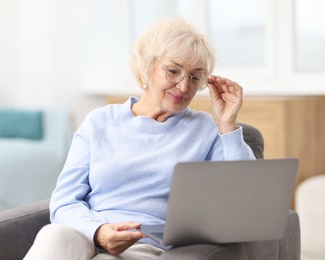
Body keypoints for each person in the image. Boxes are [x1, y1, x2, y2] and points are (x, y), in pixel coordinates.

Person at [24, 17, 255, 260]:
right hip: (87, 232)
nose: (183, 86)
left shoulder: (205, 129)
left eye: (195, 77)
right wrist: (99, 231)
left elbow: (242, 203)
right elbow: (64, 202)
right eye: (173, 71)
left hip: (144, 244)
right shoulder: (99, 121)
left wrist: (227, 124)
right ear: (147, 67)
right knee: (54, 236)